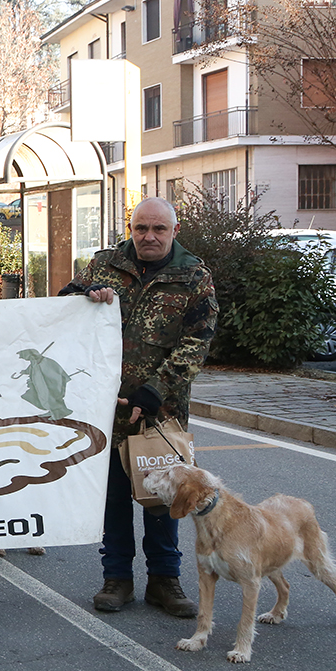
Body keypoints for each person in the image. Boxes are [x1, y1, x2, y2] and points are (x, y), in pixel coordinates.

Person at [60, 197, 218, 618]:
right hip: (104, 407)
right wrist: (81, 292)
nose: (149, 237)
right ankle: (117, 579)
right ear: (131, 228)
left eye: (159, 229)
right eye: (141, 228)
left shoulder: (194, 276)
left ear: (174, 231)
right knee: (111, 496)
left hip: (159, 412)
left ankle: (165, 581)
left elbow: (197, 341)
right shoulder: (103, 265)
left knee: (163, 499)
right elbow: (62, 307)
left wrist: (155, 391)